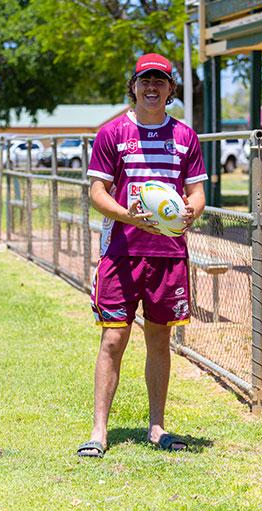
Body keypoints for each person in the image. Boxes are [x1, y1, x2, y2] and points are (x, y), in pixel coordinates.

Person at [76, 53, 207, 458]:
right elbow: (97, 193)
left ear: (171, 90)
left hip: (167, 254)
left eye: (161, 81)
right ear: (133, 86)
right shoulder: (112, 133)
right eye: (145, 80)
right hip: (122, 252)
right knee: (113, 339)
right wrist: (126, 214)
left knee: (159, 339)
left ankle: (157, 427)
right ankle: (99, 432)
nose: (152, 87)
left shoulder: (185, 136)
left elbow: (198, 194)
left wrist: (192, 211)